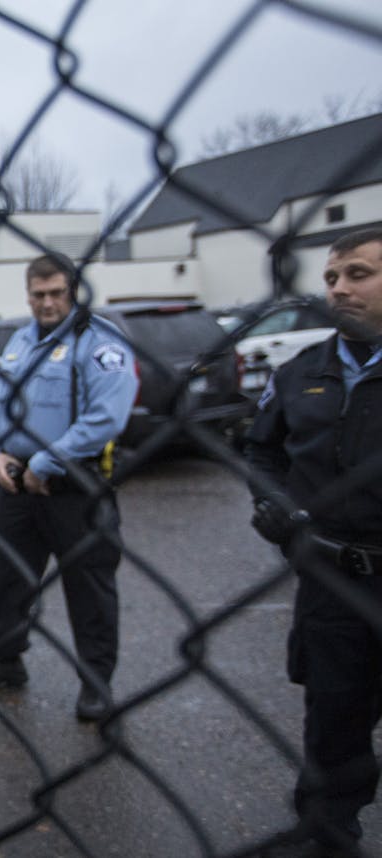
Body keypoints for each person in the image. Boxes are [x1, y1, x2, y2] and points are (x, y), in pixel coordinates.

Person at [246, 227, 382, 850]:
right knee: (333, 718)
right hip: (329, 579)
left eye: (358, 274)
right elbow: (261, 450)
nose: (339, 289)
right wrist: (275, 505)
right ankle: (327, 834)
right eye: (331, 278)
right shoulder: (302, 371)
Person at [0, 253, 137, 723]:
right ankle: (5, 661)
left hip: (76, 488)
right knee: (7, 580)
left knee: (89, 590)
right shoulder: (20, 341)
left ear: (73, 291)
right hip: (16, 487)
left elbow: (106, 417)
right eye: (38, 294)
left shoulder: (99, 343)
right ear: (28, 295)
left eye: (57, 292)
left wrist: (44, 461)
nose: (47, 302)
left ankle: (96, 684)